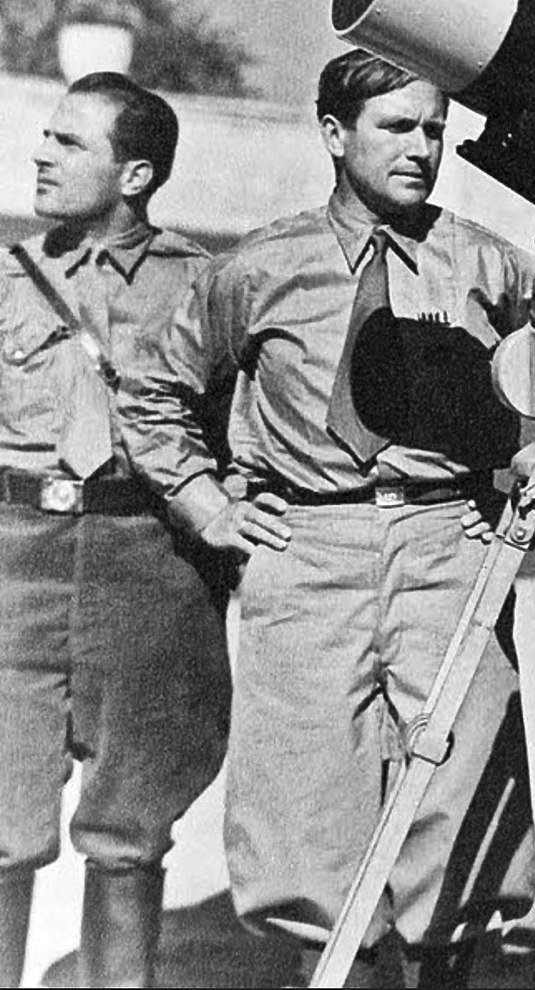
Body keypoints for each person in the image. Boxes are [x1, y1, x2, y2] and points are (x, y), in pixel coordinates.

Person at [119, 48, 535, 985]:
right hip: (308, 550)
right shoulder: (260, 267)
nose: (422, 148)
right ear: (333, 134)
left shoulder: (488, 266)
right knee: (305, 816)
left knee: (462, 803)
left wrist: (527, 504)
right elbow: (153, 389)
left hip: (447, 545)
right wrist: (205, 503)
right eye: (398, 127)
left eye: (434, 130)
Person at [0, 73, 231, 987]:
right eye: (46, 137)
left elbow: (242, 433)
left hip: (147, 565)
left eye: (69, 143)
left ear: (136, 175)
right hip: (14, 561)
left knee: (130, 828)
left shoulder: (204, 287)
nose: (41, 155)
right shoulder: (8, 278)